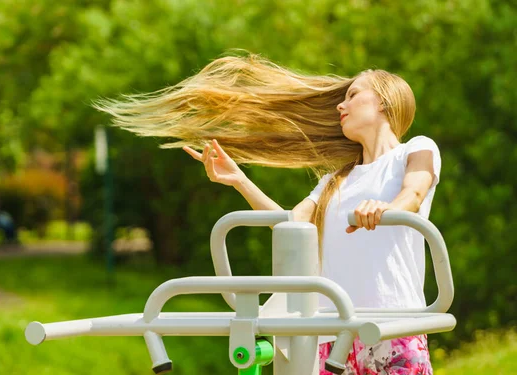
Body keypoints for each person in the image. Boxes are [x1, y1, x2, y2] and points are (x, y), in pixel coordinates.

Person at [96, 54, 440, 374]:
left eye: (352, 95)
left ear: (383, 100)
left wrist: (385, 209)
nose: (340, 104)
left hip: (392, 326)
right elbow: (290, 225)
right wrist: (239, 181)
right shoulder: (334, 181)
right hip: (330, 334)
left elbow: (413, 194)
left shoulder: (416, 149)